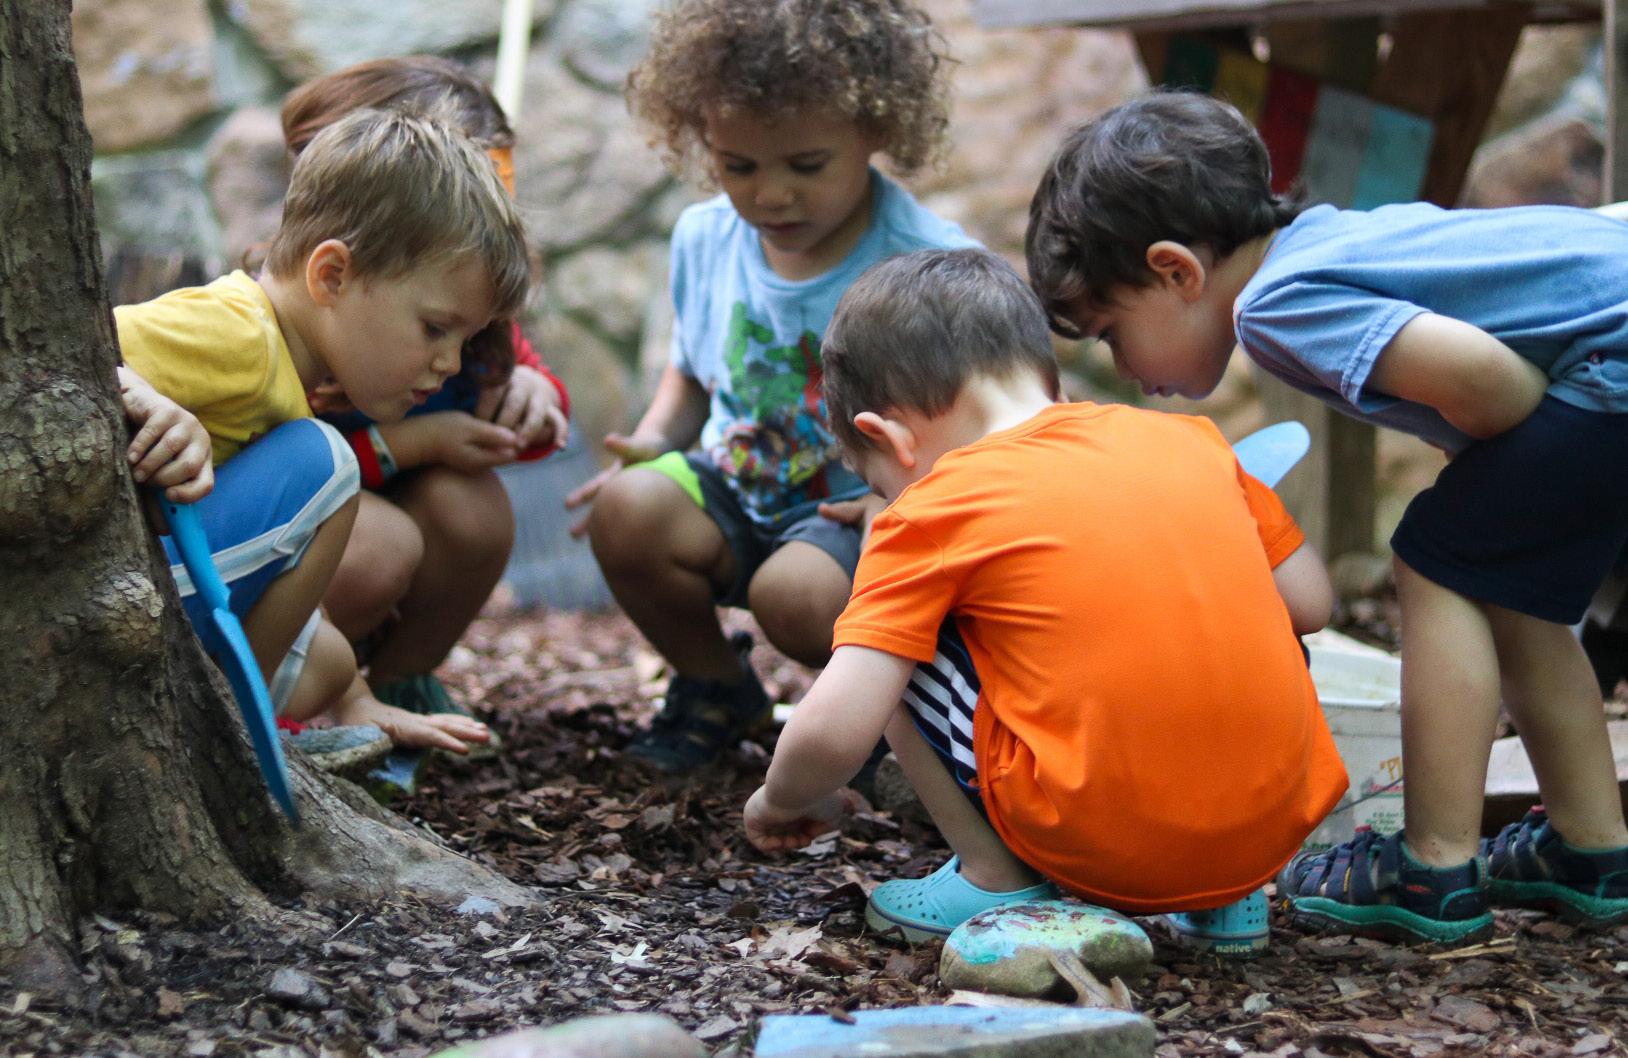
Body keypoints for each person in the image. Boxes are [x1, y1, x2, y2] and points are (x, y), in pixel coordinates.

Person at [1025, 89, 1628, 945]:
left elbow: (1493, 386)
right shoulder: (1331, 242)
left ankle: (1434, 868)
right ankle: (1593, 851)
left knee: (1436, 561)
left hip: (1610, 366)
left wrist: (1485, 465)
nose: (1124, 368)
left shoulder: (1275, 303)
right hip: (1608, 356)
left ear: (1176, 271)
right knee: (1507, 590)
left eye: (1112, 333)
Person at [743, 248, 1347, 954]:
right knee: (1234, 609)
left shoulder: (933, 509)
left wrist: (781, 799)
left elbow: (835, 727)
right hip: (1268, 833)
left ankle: (993, 879)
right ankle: (1228, 897)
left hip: (1102, 840)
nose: (890, 498)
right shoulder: (1195, 442)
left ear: (889, 437)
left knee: (895, 644)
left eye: (879, 482)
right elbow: (1310, 604)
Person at [563, 0, 978, 775]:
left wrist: (904, 505)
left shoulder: (924, 263)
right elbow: (694, 371)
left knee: (795, 596)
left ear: (876, 128)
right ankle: (717, 688)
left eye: (806, 166)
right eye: (739, 167)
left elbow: (975, 429)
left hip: (855, 516)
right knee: (628, 509)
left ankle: (880, 724)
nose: (770, 196)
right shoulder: (705, 238)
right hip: (738, 483)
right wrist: (651, 442)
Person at [116, 107, 530, 753]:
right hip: (122, 593)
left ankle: (260, 711)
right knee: (327, 462)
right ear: (332, 275)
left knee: (330, 663)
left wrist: (358, 703)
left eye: (463, 340)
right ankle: (228, 732)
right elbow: (64, 352)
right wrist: (144, 400)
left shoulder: (280, 360)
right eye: (434, 329)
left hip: (153, 591)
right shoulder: (235, 333)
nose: (450, 363)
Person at [278, 57, 570, 737]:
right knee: (380, 546)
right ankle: (292, 700)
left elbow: (519, 388)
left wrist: (535, 394)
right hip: (312, 534)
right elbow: (273, 473)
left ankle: (398, 685)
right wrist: (408, 443)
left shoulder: (461, 305)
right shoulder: (309, 315)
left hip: (403, 511)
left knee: (473, 510)